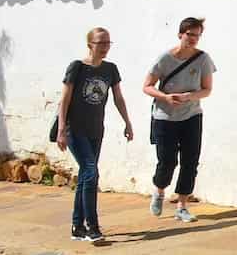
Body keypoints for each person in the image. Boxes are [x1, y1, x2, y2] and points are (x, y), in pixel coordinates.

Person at [56, 27, 134, 242]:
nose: (105, 47)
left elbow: (118, 98)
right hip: (75, 129)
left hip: (95, 130)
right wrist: (62, 129)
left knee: (85, 176)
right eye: (100, 43)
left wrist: (127, 121)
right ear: (90, 44)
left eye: (108, 42)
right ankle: (92, 226)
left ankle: (77, 225)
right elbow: (64, 99)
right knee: (91, 172)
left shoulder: (111, 69)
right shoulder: (77, 68)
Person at [143, 17, 216, 222]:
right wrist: (165, 97)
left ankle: (182, 205)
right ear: (180, 35)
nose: (193, 39)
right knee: (167, 161)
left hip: (191, 115)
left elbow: (207, 89)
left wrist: (190, 97)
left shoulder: (203, 59)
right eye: (190, 34)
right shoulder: (165, 58)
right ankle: (159, 190)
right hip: (164, 117)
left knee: (190, 161)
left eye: (197, 35)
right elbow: (147, 85)